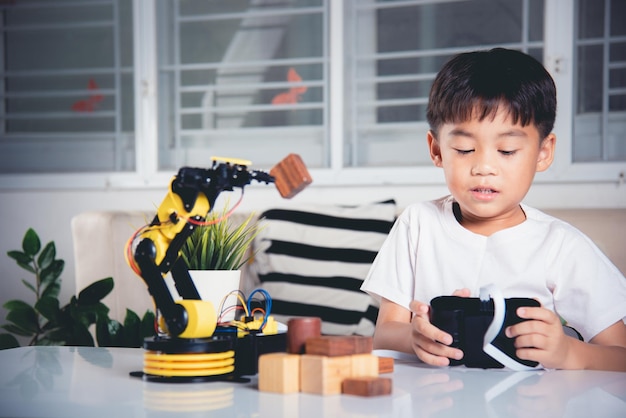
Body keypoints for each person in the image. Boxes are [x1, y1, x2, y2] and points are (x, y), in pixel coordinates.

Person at [360, 48, 626, 371]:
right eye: (465, 149)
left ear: (543, 153)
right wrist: (414, 338)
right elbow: (384, 333)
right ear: (436, 150)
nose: (484, 167)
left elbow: (619, 355)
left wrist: (569, 352)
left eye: (507, 150)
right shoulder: (417, 224)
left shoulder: (561, 245)